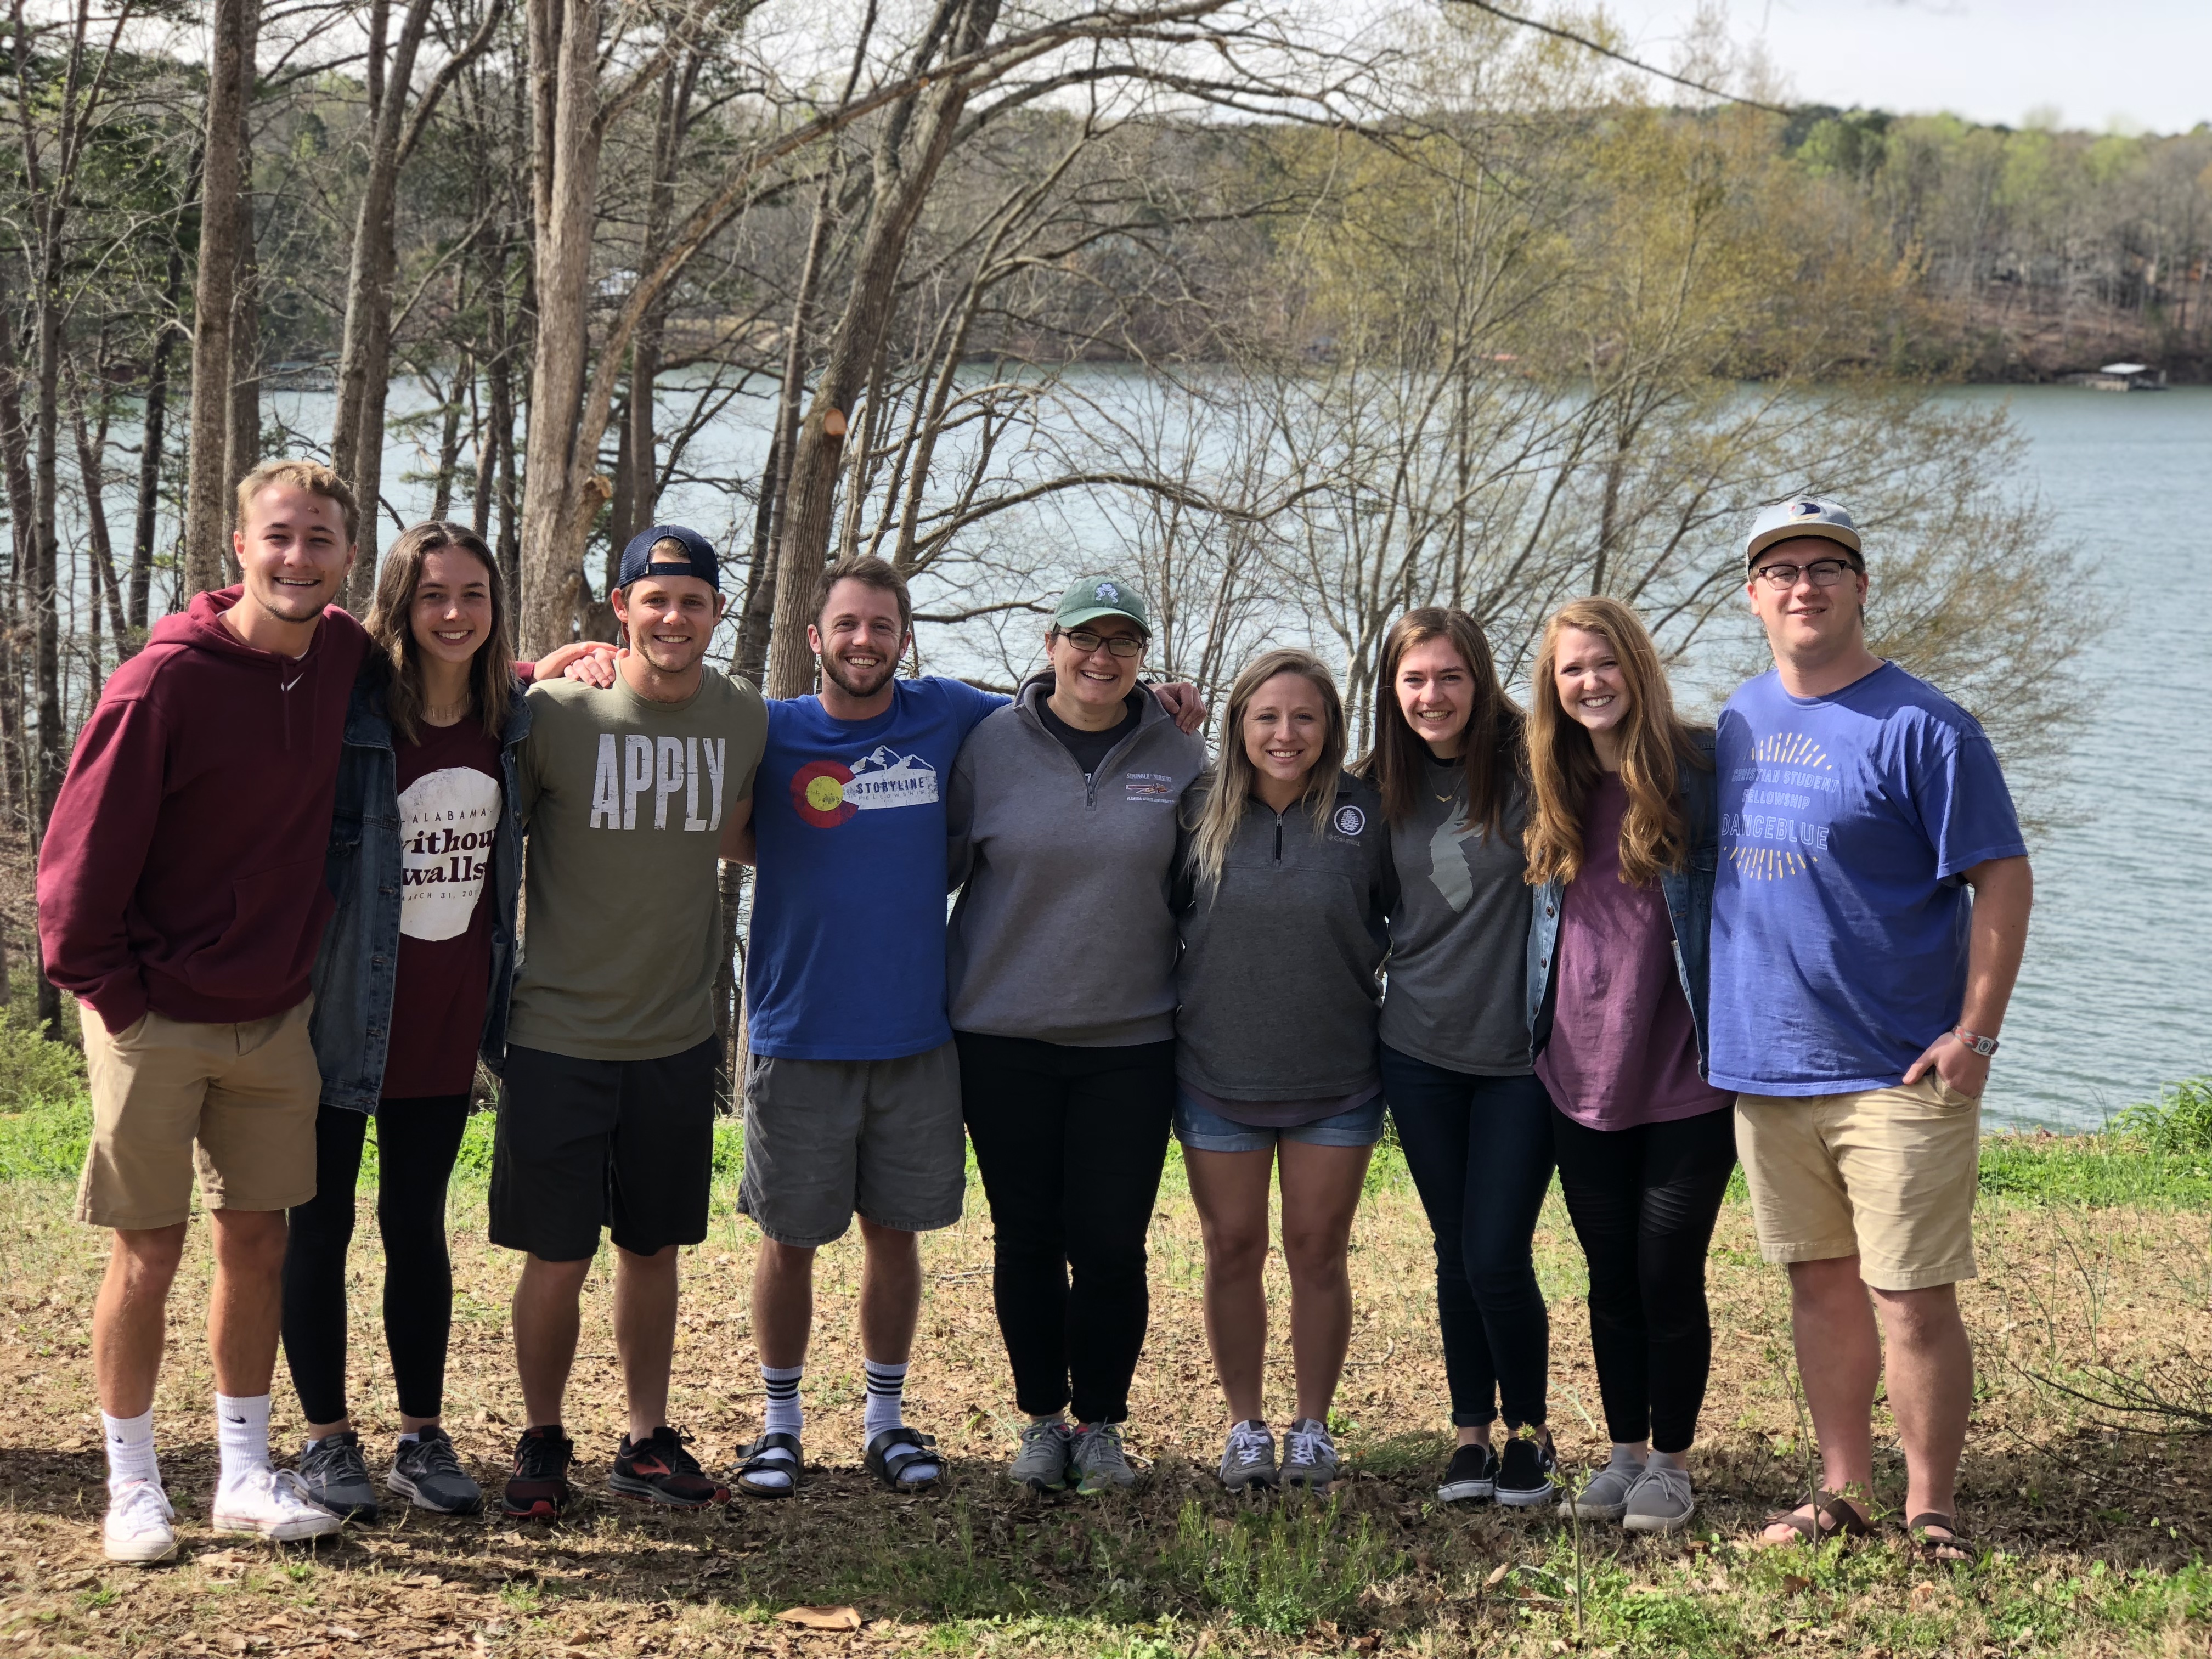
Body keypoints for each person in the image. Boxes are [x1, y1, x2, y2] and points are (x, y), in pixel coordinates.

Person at [39, 459, 368, 1560]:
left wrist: (544, 665)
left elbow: (444, 664)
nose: (297, 558)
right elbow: (72, 876)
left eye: (319, 540)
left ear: (347, 557)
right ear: (240, 546)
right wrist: (122, 1004)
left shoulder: (337, 655)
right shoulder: (163, 683)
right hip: (153, 1014)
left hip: (274, 1013)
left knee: (258, 1242)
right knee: (148, 1251)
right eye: (279, 536)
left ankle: (241, 1475)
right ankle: (133, 1486)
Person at [1713, 499, 2032, 1559]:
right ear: (1753, 596)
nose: (1803, 586)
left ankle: (1930, 1508)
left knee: (1912, 1298)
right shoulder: (1739, 720)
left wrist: (1975, 1035)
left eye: (1826, 567)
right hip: (1770, 1069)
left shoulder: (1926, 726)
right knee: (1819, 1287)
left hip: (1897, 1070)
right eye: (1782, 570)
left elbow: (2003, 877)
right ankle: (1843, 1489)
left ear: (1860, 586)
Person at [490, 524, 767, 1520]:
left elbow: (752, 828)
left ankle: (647, 1439)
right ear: (621, 608)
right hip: (556, 1034)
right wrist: (529, 669)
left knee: (653, 1250)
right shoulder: (558, 713)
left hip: (675, 1036)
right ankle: (543, 1436)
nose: (674, 618)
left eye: (693, 602)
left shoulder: (743, 715)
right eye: (655, 600)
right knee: (557, 1255)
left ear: (717, 613)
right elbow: (453, 737)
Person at [280, 522, 545, 1521]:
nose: (453, 613)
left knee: (417, 1227)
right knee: (321, 1225)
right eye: (433, 594)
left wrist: (567, 657)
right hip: (345, 1013)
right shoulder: (355, 722)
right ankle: (325, 1440)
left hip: (446, 1016)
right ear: (399, 604)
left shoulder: (510, 722)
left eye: (473, 595)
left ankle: (421, 1438)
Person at [725, 556, 1003, 1500]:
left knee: (896, 1236)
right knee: (789, 1239)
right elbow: (698, 778)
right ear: (815, 637)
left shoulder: (946, 712)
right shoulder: (769, 728)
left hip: (915, 1036)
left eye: (882, 626)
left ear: (904, 639)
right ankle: (780, 1427)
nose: (864, 641)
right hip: (799, 1033)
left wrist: (1156, 701)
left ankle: (886, 1421)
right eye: (846, 624)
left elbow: (1055, 705)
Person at [946, 575, 1208, 1495]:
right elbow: (932, 866)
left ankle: (1099, 1424)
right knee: (1025, 1237)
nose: (1102, 657)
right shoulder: (988, 745)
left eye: (1122, 642)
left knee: (1110, 1245)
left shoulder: (1180, 751)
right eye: (1085, 639)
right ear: (1051, 643)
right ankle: (1041, 1421)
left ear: (1143, 656)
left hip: (1129, 1043)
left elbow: (1204, 886)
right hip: (1002, 1036)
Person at [1523, 597, 1735, 1534]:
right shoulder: (1549, 781)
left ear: (1638, 668)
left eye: (1605, 662)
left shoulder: (1704, 771)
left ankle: (1673, 1466)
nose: (1590, 682)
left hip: (1687, 1074)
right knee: (1609, 1277)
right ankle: (1624, 1455)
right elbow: (1423, 738)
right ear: (1553, 686)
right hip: (1578, 1075)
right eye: (1572, 669)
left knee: (1667, 1276)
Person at [1172, 650, 1395, 1493]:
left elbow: (1413, 915)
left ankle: (1311, 1428)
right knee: (1232, 1248)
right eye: (1267, 716)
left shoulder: (1367, 813)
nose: (1285, 734)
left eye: (1305, 717)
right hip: (1216, 1071)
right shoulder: (1195, 808)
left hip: (1336, 1074)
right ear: (1239, 724)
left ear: (1330, 726)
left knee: (1317, 1252)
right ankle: (1245, 1426)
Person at [1363, 607, 1557, 1509]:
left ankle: (1532, 1435)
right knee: (1455, 1250)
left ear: (1479, 680)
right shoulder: (1375, 787)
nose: (1432, 696)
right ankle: (1471, 1437)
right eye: (1414, 680)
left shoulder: (1538, 767)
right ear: (1392, 690)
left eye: (1449, 677)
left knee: (1495, 1252)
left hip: (1520, 1057)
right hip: (1418, 1052)